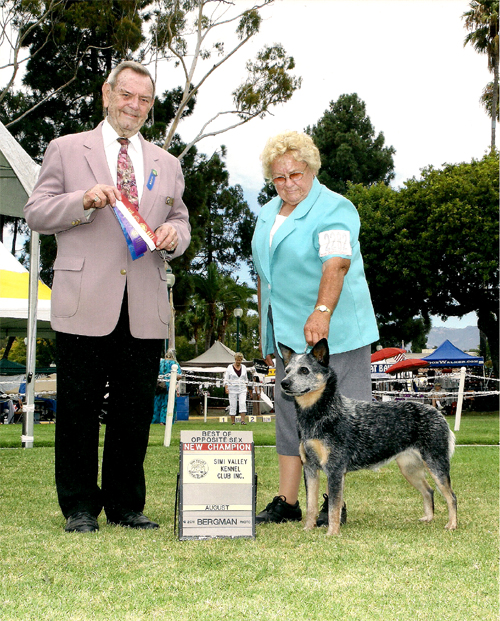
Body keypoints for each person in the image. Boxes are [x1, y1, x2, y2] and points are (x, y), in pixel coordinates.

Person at [24, 61, 191, 533]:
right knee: (77, 410)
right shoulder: (65, 149)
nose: (135, 107)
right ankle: (79, 506)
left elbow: (181, 221)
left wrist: (174, 236)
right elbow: (35, 211)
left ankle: (125, 505)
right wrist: (82, 201)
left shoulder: (167, 162)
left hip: (144, 304)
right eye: (127, 96)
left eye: (144, 101)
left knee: (134, 410)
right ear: (107, 94)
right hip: (84, 301)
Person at [251, 130, 379, 526]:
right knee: (291, 417)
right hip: (288, 336)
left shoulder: (335, 209)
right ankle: (287, 501)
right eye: (279, 177)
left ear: (312, 169)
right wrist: (269, 331)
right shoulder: (268, 213)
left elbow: (335, 262)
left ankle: (333, 502)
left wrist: (322, 311)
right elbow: (266, 277)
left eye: (296, 173)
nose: (288, 183)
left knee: (341, 419)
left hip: (335, 331)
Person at [152, 349, 182, 424]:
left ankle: (155, 420)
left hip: (159, 384)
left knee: (157, 402)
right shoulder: (175, 363)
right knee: (168, 402)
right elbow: (179, 376)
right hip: (169, 385)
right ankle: (164, 420)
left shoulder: (161, 362)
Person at [224, 353, 248, 425]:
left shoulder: (244, 367)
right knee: (233, 404)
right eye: (237, 360)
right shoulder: (229, 367)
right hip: (232, 389)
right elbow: (226, 379)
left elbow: (246, 379)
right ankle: (233, 422)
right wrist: (226, 388)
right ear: (235, 360)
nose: (238, 362)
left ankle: (242, 421)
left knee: (242, 403)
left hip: (242, 388)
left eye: (240, 360)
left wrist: (246, 388)